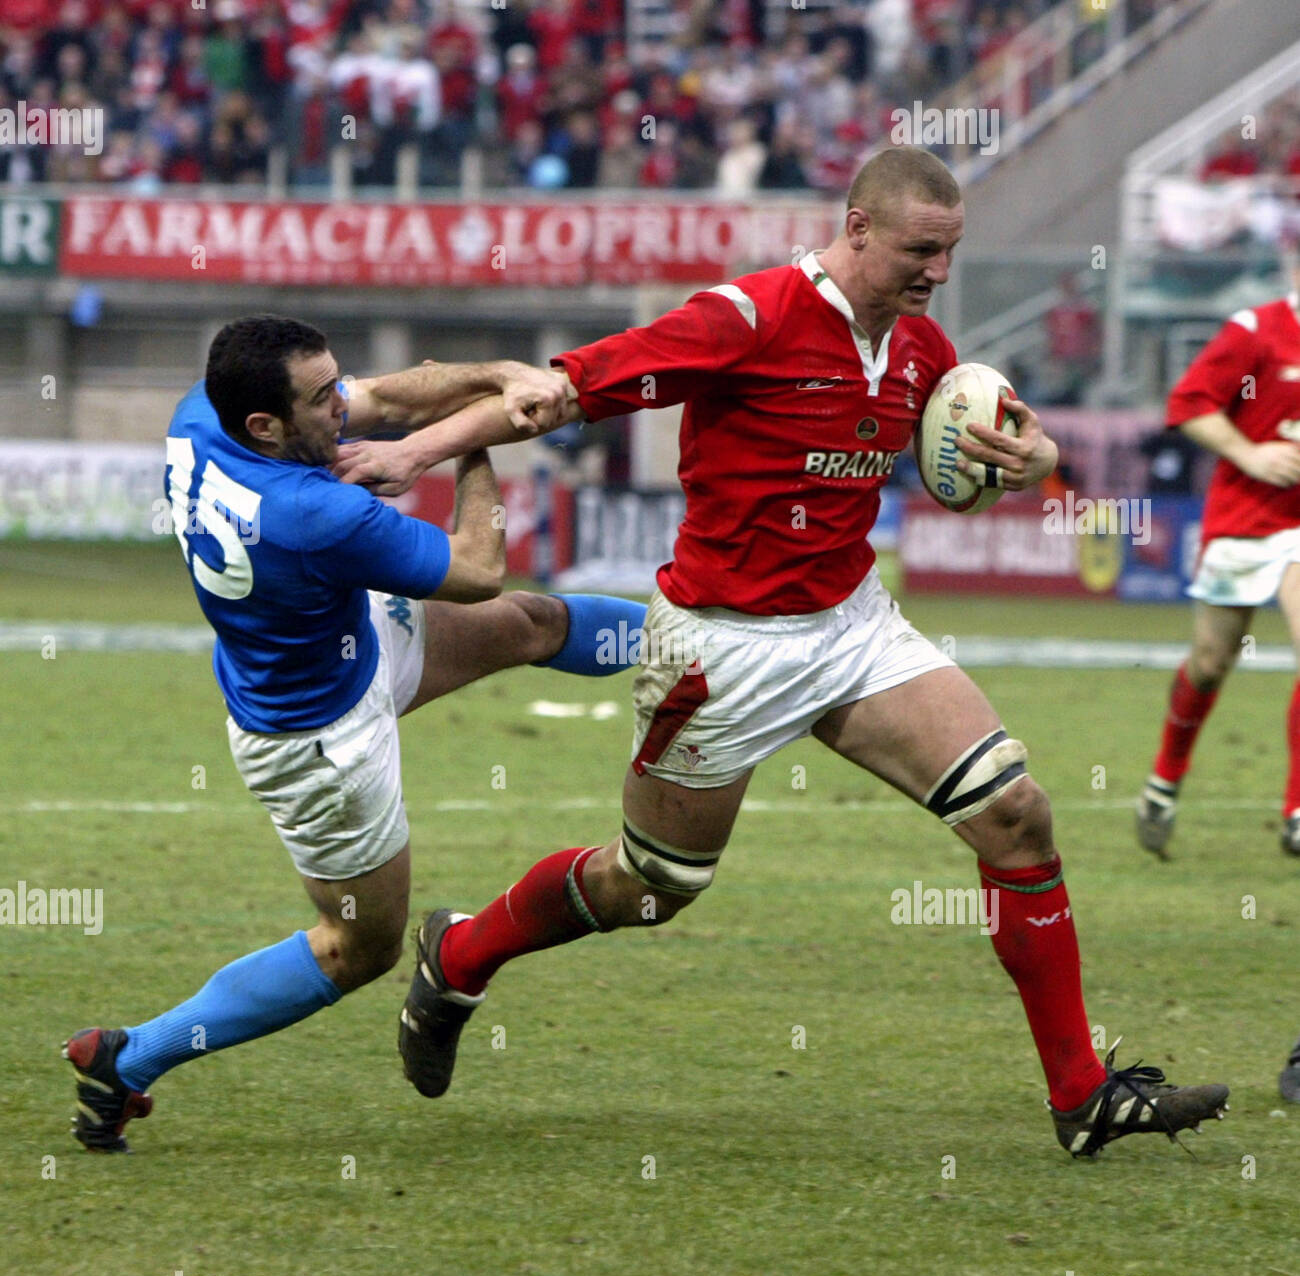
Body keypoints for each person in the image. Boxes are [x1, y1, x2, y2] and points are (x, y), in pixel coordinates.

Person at [337, 148, 1230, 1157]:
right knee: (650, 887)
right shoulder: (747, 318)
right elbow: (562, 390)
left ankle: (1082, 1097)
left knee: (1016, 814)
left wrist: (1039, 459)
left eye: (950, 251)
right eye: (918, 249)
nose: (936, 270)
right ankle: (460, 953)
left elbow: (1012, 439)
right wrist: (411, 453)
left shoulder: (922, 352)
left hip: (852, 629)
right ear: (856, 231)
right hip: (722, 650)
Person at [63, 315, 647, 1152]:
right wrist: (473, 446)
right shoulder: (311, 513)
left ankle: (704, 644)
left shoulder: (204, 413)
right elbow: (477, 568)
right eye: (319, 397)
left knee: (532, 626)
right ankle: (129, 1059)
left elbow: (385, 396)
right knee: (358, 947)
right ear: (265, 425)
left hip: (352, 646)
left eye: (333, 379)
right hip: (320, 744)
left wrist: (499, 376)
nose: (342, 403)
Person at [1129, 273, 1300, 1105]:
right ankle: (1165, 781)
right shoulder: (1257, 332)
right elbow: (1188, 402)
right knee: (1210, 664)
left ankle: (1298, 807)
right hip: (1242, 520)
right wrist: (1248, 450)